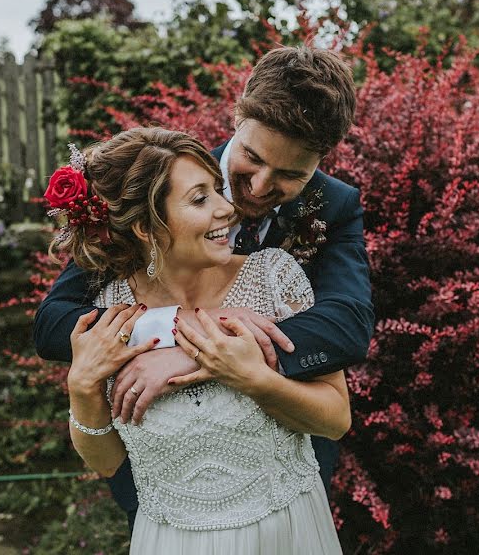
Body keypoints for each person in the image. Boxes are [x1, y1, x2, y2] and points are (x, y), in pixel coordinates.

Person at [34, 45, 375, 529]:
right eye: (253, 158)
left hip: (279, 486)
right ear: (237, 116)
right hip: (164, 486)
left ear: (321, 161)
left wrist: (204, 351)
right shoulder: (162, 183)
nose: (257, 187)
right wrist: (172, 325)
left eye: (290, 174)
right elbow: (54, 323)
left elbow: (347, 325)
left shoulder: (333, 206)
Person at [51, 127, 347, 554]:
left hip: (285, 533)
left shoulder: (273, 277)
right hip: (169, 540)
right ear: (144, 226)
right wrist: (80, 389)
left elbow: (336, 419)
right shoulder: (110, 311)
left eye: (217, 190)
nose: (227, 208)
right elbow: (108, 461)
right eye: (200, 198)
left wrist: (253, 379)